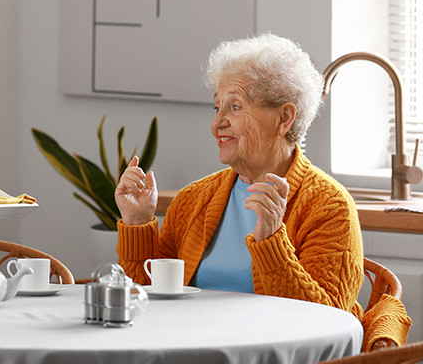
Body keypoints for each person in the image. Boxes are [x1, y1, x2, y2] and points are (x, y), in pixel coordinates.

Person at [115, 33, 411, 350]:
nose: (217, 124)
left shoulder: (329, 206)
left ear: (284, 117)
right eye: (217, 107)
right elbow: (144, 303)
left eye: (235, 106)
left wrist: (271, 242)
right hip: (193, 350)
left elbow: (326, 324)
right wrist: (137, 222)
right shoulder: (193, 199)